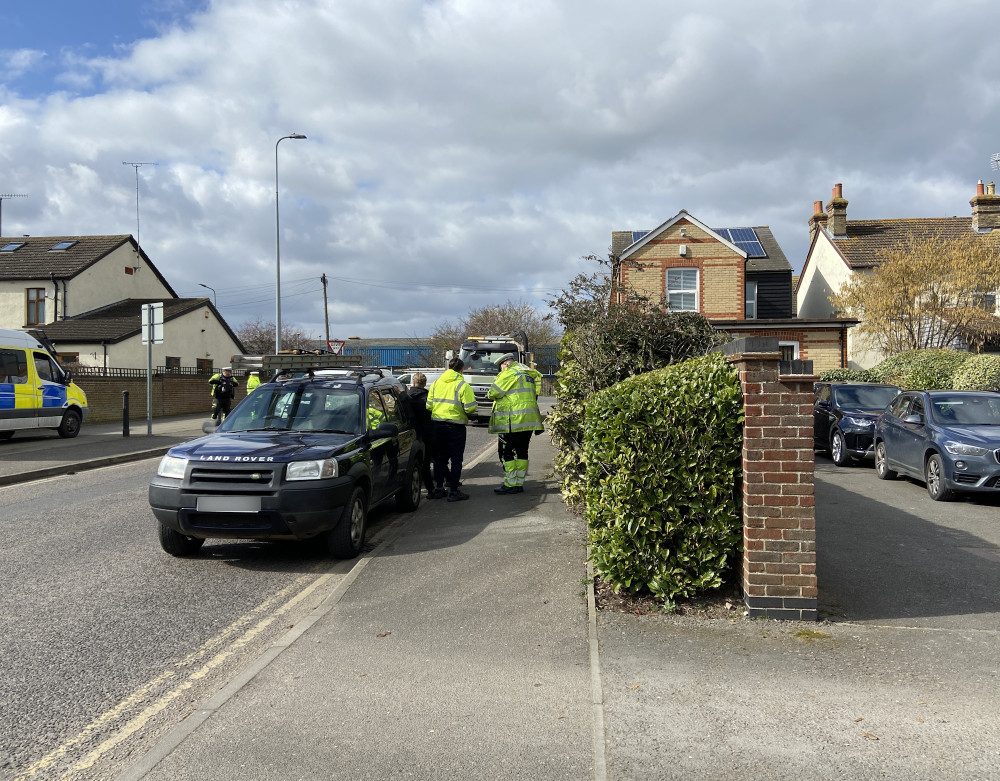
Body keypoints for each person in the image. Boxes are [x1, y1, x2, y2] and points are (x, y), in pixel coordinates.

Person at [487, 352, 543, 494]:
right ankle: (519, 483)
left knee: (506, 452)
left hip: (513, 420)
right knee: (522, 452)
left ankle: (510, 484)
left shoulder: (509, 373)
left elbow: (493, 392)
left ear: (506, 364)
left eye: (501, 367)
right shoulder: (529, 373)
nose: (501, 370)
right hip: (529, 420)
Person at [426, 357, 477, 502]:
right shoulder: (462, 385)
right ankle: (453, 491)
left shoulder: (436, 384)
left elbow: (429, 406)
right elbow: (470, 407)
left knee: (440, 459)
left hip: (437, 426)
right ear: (461, 369)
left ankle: (438, 489)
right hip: (456, 427)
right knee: (456, 460)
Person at [406, 372, 438, 499]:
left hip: (411, 434)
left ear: (413, 383)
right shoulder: (429, 397)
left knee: (414, 464)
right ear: (424, 384)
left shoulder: (407, 397)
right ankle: (432, 489)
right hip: (428, 434)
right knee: (428, 462)